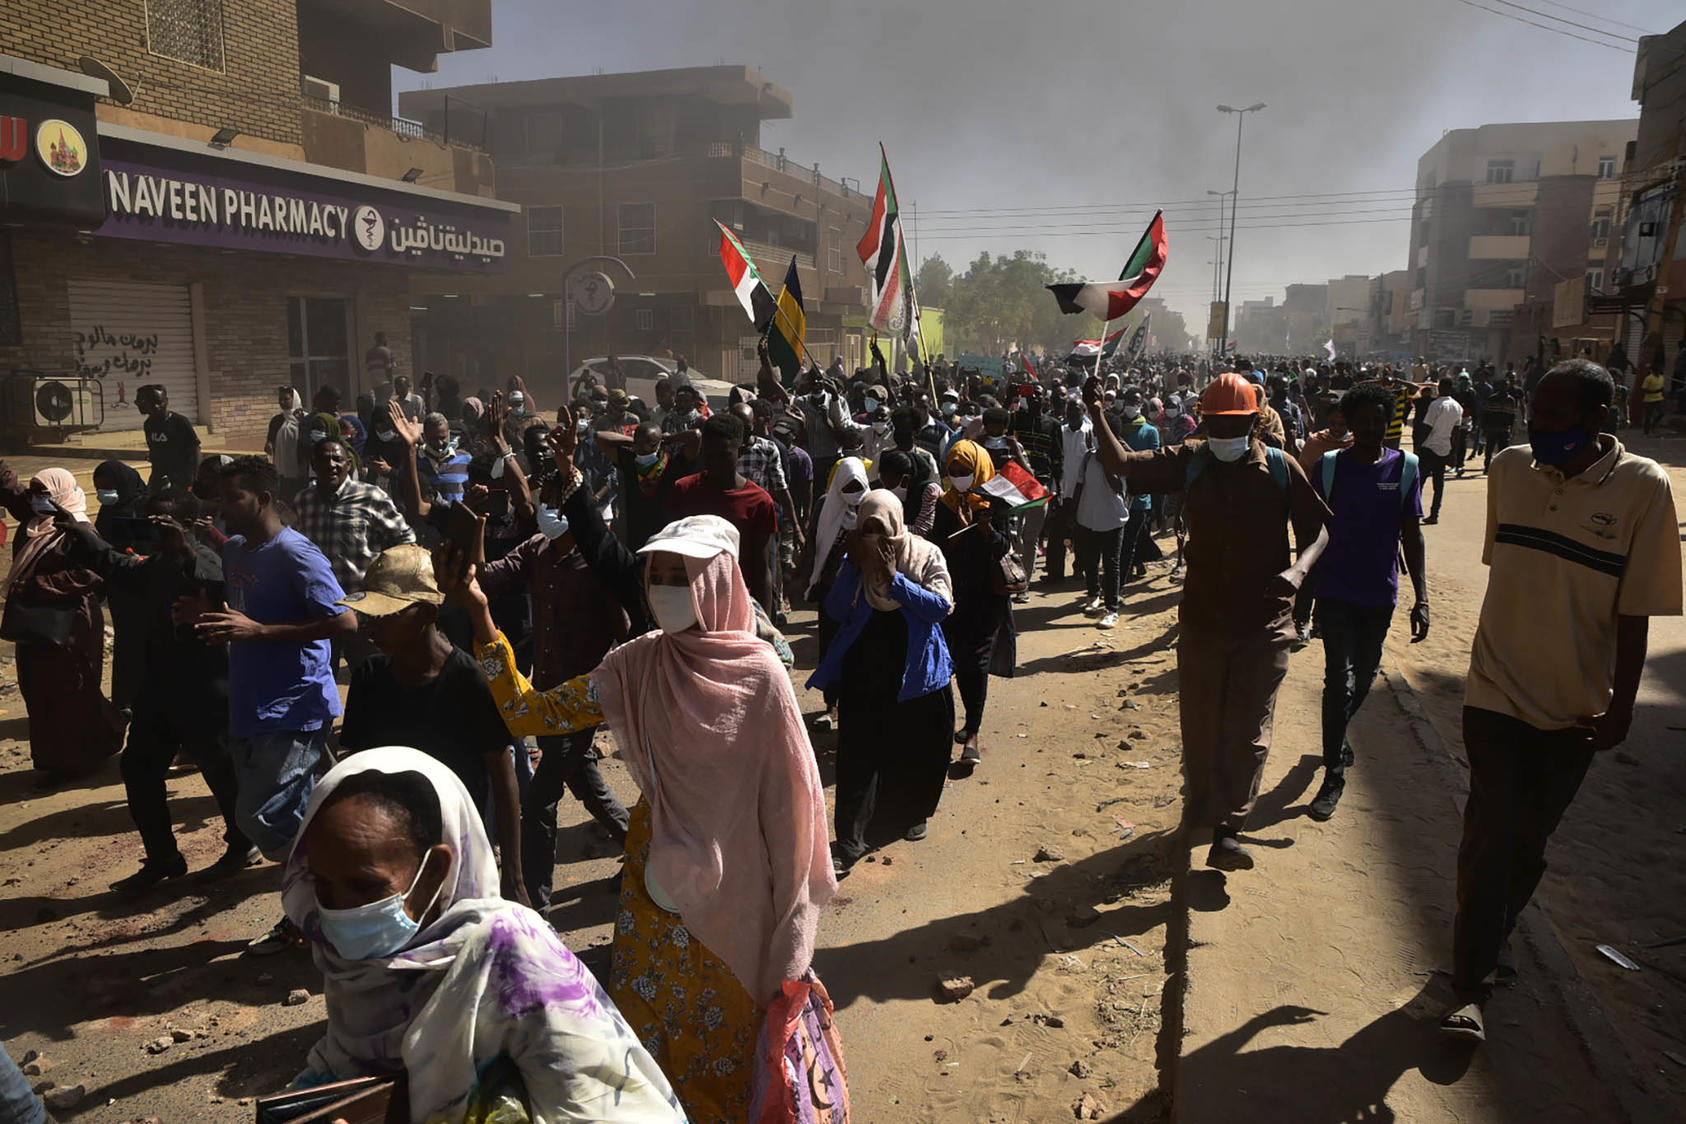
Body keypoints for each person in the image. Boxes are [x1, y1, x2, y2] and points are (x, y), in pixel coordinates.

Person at [443, 518, 848, 1121]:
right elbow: (530, 714)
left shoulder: (761, 674)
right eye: (654, 575)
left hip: (738, 901)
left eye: (677, 575)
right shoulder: (635, 663)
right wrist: (481, 619)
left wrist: (792, 936)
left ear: (715, 580)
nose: (662, 588)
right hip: (654, 894)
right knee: (651, 1050)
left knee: (735, 1050)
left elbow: (792, 814)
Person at [1443, 359, 1681, 1043]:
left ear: (1596, 420)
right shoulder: (1509, 470)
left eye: (1552, 415)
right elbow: (1513, 572)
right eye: (1534, 409)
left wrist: (1622, 708)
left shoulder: (1644, 489)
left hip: (1575, 707)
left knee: (1526, 842)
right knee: (1490, 837)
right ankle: (1470, 986)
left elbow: (1637, 613)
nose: (1535, 425)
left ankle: (1489, 938)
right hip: (1493, 689)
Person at [283, 748, 685, 1121]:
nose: (340, 908)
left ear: (435, 872)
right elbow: (343, 1069)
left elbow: (606, 1106)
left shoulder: (511, 954)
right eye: (322, 886)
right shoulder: (353, 966)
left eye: (366, 887)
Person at [1084, 373, 1330, 871]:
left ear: (1254, 422)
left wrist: (1298, 571)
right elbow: (1122, 463)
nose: (1222, 433)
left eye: (1233, 424)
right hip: (1201, 622)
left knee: (1248, 730)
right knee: (1201, 725)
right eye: (1215, 423)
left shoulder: (1280, 467)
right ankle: (1201, 801)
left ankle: (1228, 830)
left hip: (1264, 626)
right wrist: (1096, 411)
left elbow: (1318, 530)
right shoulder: (1191, 458)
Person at [183, 456, 355, 951]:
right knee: (322, 812)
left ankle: (331, 893)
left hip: (295, 704)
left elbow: (345, 622)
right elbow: (246, 613)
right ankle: (320, 913)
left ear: (261, 499)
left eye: (232, 498)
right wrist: (211, 615)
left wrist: (258, 632)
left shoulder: (297, 554)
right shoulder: (237, 550)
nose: (223, 508)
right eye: (220, 499)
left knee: (261, 816)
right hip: (251, 704)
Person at [477, 439, 633, 910]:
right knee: (584, 780)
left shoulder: (596, 562)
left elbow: (621, 632)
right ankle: (641, 848)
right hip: (545, 695)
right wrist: (476, 533)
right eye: (543, 502)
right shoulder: (538, 549)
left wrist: (598, 690)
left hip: (579, 699)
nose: (546, 510)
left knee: (541, 802)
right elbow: (491, 576)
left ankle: (534, 901)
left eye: (553, 503)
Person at [337, 545, 528, 906]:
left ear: (425, 613)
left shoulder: (469, 682)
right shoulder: (369, 679)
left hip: (461, 849)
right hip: (394, 850)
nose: (371, 626)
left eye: (385, 614)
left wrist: (514, 878)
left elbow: (503, 779)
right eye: (370, 615)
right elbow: (360, 773)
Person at [810, 489, 956, 873]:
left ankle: (910, 814)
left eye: (880, 528)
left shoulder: (925, 554)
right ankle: (850, 841)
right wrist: (855, 568)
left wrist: (896, 580)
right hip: (865, 670)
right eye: (866, 528)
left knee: (914, 747)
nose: (874, 536)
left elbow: (940, 607)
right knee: (858, 753)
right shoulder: (854, 561)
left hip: (914, 669)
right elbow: (837, 610)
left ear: (895, 525)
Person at [1304, 383, 1430, 822]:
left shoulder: (1406, 467)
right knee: (1338, 679)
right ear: (1350, 424)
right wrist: (1304, 587)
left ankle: (1336, 737)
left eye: (1380, 420)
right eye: (1365, 421)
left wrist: (1423, 597)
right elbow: (1312, 530)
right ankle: (1333, 773)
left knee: (1364, 676)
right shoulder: (1330, 468)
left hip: (1380, 592)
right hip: (1335, 590)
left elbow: (1412, 535)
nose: (1373, 428)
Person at [0, 466, 126, 782]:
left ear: (59, 495)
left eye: (43, 492)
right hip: (36, 622)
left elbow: (90, 575)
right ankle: (54, 760)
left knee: (72, 689)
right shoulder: (37, 524)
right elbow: (11, 490)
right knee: (39, 689)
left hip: (72, 624)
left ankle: (82, 758)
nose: (36, 498)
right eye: (34, 492)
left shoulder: (79, 529)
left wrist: (35, 586)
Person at [931, 440, 1013, 759]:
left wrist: (986, 531)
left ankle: (973, 733)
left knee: (976, 664)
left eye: (965, 471)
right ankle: (962, 722)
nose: (959, 476)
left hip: (986, 597)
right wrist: (952, 543)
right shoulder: (945, 503)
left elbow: (1003, 545)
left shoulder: (995, 500)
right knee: (956, 663)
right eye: (953, 471)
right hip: (953, 595)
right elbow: (936, 545)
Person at [666, 414, 779, 611]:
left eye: (724, 455)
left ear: (741, 451)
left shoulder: (759, 502)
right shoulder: (683, 490)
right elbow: (671, 555)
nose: (715, 462)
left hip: (739, 605)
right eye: (709, 455)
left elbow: (762, 570)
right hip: (691, 604)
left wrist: (765, 625)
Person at [292, 438, 416, 597]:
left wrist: (390, 582)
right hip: (318, 601)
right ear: (314, 465)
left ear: (348, 465)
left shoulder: (371, 496)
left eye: (337, 459)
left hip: (362, 602)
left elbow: (406, 539)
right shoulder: (303, 501)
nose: (331, 465)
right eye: (324, 459)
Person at [92, 459, 153, 713]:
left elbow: (148, 549)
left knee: (149, 644)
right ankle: (124, 699)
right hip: (120, 589)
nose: (104, 493)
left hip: (144, 588)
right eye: (99, 488)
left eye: (108, 487)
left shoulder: (144, 508)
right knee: (127, 645)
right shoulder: (108, 512)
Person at [137, 384, 201, 493]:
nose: (157, 406)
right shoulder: (148, 424)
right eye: (152, 403)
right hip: (159, 475)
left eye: (159, 402)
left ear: (166, 401)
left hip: (181, 477)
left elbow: (195, 449)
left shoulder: (180, 422)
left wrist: (195, 478)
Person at [1418, 378, 1464, 524]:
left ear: (1440, 388)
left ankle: (1414, 511)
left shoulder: (1435, 405)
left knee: (1419, 482)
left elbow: (1427, 427)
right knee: (1439, 485)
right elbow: (1456, 433)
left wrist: (1419, 445)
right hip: (1444, 448)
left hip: (1429, 447)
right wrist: (1453, 453)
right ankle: (1434, 515)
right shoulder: (1457, 407)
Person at [266, 387, 307, 499]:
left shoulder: (304, 418)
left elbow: (307, 443)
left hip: (298, 467)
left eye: (286, 399)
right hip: (281, 468)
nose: (282, 402)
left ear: (294, 399)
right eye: (280, 399)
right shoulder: (277, 420)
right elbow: (270, 440)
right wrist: (269, 445)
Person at [1641, 366, 1666, 435]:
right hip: (1649, 399)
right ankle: (1646, 431)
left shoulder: (1661, 377)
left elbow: (1662, 387)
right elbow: (1644, 389)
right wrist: (1654, 391)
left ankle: (1653, 425)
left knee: (1661, 413)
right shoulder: (1649, 378)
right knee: (1648, 416)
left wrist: (1663, 393)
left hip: (1659, 398)